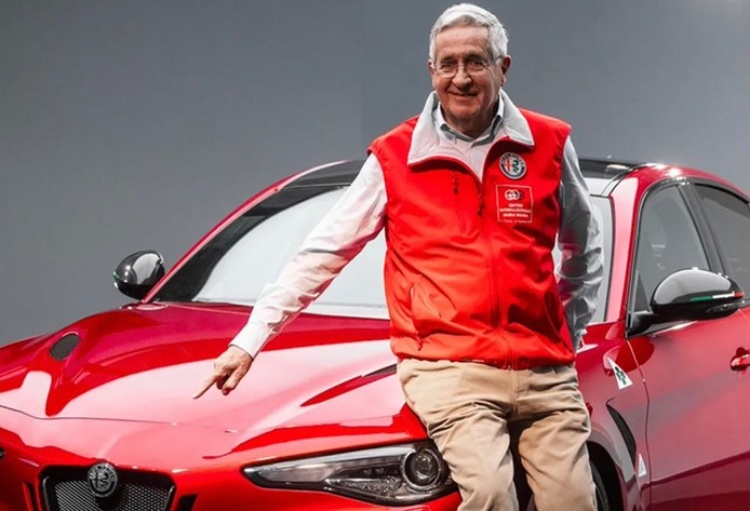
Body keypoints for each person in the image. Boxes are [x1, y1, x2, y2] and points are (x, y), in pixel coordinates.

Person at [195, 4, 603, 510]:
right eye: (448, 64)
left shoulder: (548, 142)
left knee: (575, 501)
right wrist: (250, 340)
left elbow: (584, 248)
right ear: (431, 71)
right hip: (450, 368)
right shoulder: (395, 156)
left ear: (503, 68)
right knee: (491, 495)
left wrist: (566, 335)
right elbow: (323, 252)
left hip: (544, 372)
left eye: (475, 62)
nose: (460, 78)